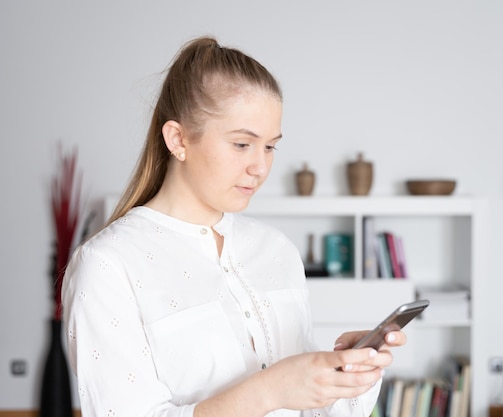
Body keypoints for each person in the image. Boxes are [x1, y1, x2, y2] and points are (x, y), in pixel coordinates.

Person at [62, 36, 406, 417]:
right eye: (242, 144)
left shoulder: (277, 250)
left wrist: (346, 377)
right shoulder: (108, 264)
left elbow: (312, 410)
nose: (260, 167)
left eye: (270, 146)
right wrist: (270, 391)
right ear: (178, 139)